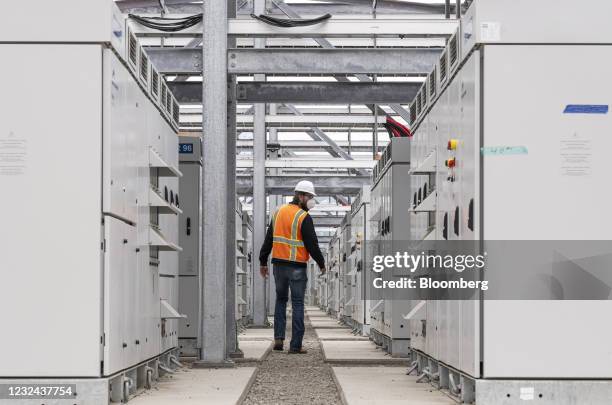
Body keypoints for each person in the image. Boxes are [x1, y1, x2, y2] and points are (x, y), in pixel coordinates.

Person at [259, 180, 326, 354]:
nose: (311, 200)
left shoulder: (278, 212)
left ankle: (279, 339)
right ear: (301, 196)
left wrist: (262, 261)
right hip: (297, 267)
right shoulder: (303, 217)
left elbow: (268, 240)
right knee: (297, 303)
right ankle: (295, 345)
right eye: (310, 197)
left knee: (280, 300)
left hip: (279, 266)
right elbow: (312, 244)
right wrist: (321, 264)